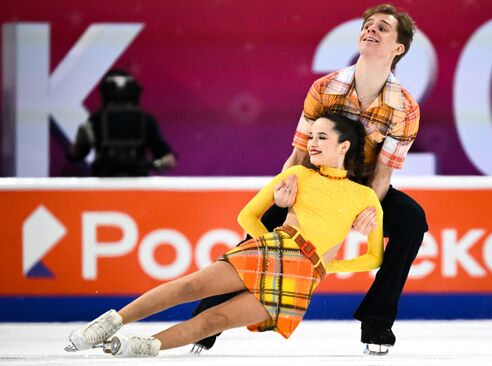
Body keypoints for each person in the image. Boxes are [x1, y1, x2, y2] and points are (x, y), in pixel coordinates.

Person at [192, 3, 428, 356]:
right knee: (264, 225)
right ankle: (206, 320)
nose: (371, 30)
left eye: (382, 28)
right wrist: (285, 195)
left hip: (361, 189)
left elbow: (382, 172)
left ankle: (377, 322)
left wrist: (355, 215)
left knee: (411, 220)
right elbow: (301, 155)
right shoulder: (326, 87)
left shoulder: (405, 108)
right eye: (368, 25)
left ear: (398, 49)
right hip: (312, 183)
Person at [64, 113, 384, 358]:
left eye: (322, 137)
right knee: (191, 286)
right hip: (268, 252)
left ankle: (146, 345)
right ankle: (111, 322)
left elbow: (374, 257)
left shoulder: (365, 197)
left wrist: (324, 267)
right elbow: (247, 216)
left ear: (344, 145)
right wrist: (278, 247)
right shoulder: (297, 174)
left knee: (212, 321)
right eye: (311, 135)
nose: (312, 143)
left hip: (299, 280)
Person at [66, 69, 177, 177]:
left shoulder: (95, 120)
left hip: (114, 184)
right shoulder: (147, 120)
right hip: (111, 183)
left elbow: (76, 154)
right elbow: (165, 155)